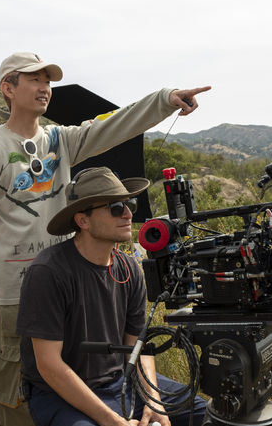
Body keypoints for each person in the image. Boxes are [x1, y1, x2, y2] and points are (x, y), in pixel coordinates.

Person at [0, 51, 210, 425]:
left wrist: (164, 99)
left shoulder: (61, 141)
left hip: (65, 282)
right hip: (13, 290)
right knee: (10, 396)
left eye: (47, 81)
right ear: (8, 88)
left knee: (66, 385)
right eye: (34, 80)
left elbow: (114, 125)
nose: (44, 88)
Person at [17, 167, 207, 426]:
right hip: (61, 393)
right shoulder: (49, 272)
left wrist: (154, 401)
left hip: (122, 379)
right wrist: (111, 421)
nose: (129, 213)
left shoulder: (129, 269)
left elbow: (138, 348)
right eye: (116, 207)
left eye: (129, 204)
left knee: (207, 413)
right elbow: (49, 365)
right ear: (83, 221)